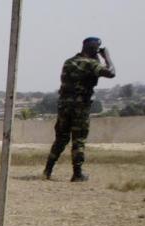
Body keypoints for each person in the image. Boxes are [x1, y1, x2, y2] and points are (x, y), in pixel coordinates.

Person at [44, 37, 116, 182]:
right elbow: (111, 73)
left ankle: (48, 170)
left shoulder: (69, 62)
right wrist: (107, 57)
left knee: (61, 139)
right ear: (94, 49)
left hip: (64, 106)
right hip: (80, 107)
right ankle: (77, 173)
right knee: (79, 140)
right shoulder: (90, 64)